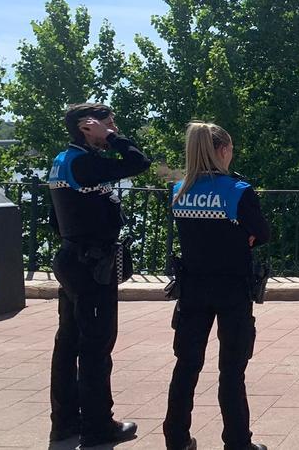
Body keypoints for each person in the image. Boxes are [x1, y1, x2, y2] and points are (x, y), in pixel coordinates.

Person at [163, 122, 270, 450]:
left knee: (187, 364)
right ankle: (238, 442)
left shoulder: (180, 189)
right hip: (232, 288)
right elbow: (262, 233)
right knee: (231, 369)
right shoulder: (237, 190)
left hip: (192, 286)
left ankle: (176, 438)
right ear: (223, 150)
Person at [48, 103, 150, 445]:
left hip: (72, 260)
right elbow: (139, 162)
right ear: (86, 126)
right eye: (108, 123)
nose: (113, 127)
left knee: (69, 344)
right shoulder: (82, 161)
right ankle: (97, 427)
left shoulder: (63, 161)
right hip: (90, 267)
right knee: (95, 347)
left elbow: (55, 217)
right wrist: (113, 138)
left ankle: (65, 424)